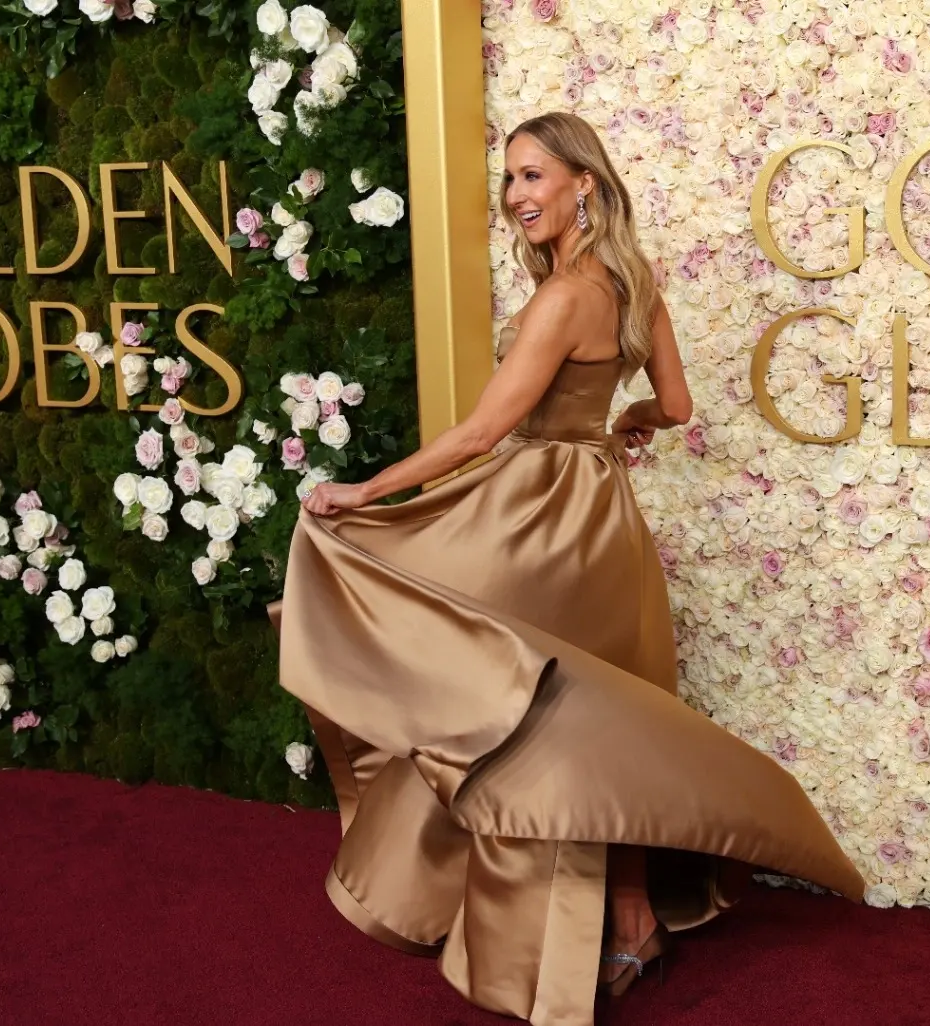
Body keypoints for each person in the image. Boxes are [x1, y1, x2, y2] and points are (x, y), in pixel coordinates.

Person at [270, 112, 862, 1026]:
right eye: (510, 178)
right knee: (597, 728)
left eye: (533, 175)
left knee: (492, 687)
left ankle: (514, 911)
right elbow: (676, 404)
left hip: (539, 516)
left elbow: (481, 434)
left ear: (584, 182)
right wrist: (624, 424)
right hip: (604, 522)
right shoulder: (634, 283)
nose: (515, 195)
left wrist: (366, 491)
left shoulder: (560, 301)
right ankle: (632, 923)